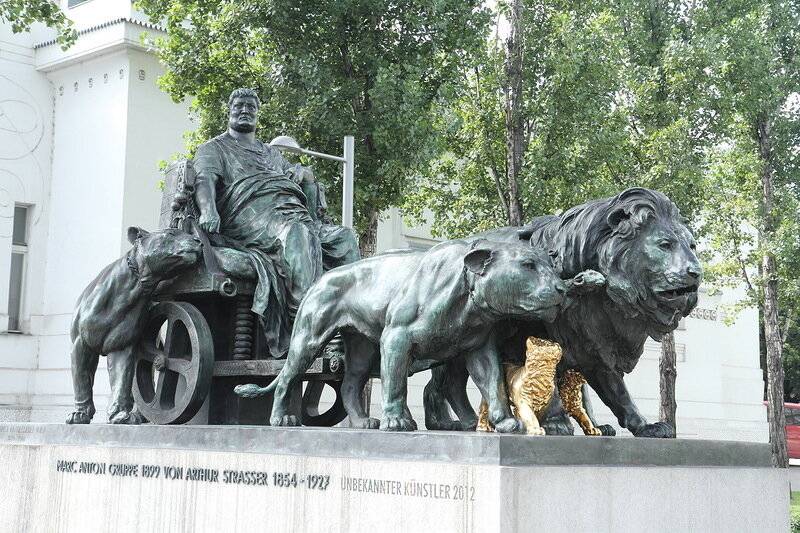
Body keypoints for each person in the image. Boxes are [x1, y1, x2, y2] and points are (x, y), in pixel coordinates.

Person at [193, 87, 360, 357]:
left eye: (251, 107)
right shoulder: (213, 148)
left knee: (344, 238)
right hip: (249, 217)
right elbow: (204, 181)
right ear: (229, 111)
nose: (245, 111)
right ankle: (307, 329)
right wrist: (208, 210)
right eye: (239, 106)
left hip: (291, 214)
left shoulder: (271, 153)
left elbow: (295, 174)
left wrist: (304, 174)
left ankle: (351, 328)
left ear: (258, 114)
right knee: (297, 235)